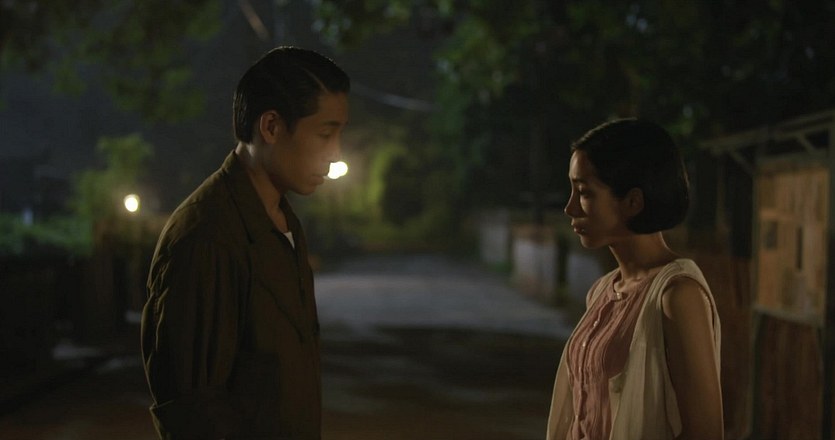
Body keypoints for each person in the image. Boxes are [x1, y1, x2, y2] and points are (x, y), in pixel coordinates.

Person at [140, 46, 349, 439]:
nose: (336, 152)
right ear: (270, 126)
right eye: (325, 133)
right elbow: (193, 407)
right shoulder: (208, 236)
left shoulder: (281, 219)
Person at [546, 118, 723, 440]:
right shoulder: (602, 292)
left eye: (583, 192)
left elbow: (705, 432)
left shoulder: (677, 295)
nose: (570, 208)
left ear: (632, 202)